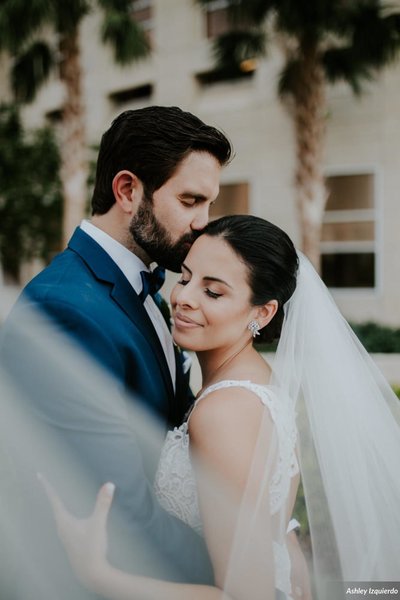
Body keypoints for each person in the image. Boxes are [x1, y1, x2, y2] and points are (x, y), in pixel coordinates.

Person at [41, 215, 400, 600]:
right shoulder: (259, 379)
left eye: (213, 292)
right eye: (186, 277)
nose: (183, 298)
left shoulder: (223, 412)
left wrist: (99, 576)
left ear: (262, 312)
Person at [0, 106, 232, 598]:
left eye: (209, 204)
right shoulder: (65, 309)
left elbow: (189, 430)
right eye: (191, 200)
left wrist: (273, 526)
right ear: (128, 191)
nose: (203, 224)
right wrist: (242, 566)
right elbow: (118, 510)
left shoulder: (147, 288)